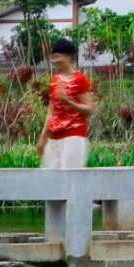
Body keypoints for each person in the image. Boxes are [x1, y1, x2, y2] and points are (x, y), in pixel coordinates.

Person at [38, 38, 94, 169]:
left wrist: (69, 102)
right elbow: (51, 112)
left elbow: (90, 109)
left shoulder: (80, 79)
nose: (54, 60)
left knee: (70, 182)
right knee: (49, 180)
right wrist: (43, 138)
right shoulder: (55, 81)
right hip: (54, 137)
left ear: (68, 57)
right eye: (52, 57)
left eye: (57, 56)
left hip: (74, 137)